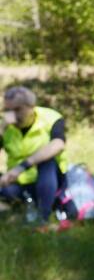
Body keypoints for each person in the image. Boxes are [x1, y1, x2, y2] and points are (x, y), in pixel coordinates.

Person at [0, 86, 69, 222]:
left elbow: (58, 144)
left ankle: (43, 217)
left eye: (17, 109)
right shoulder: (6, 125)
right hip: (18, 184)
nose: (12, 115)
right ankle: (17, 207)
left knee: (47, 161)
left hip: (50, 181)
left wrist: (22, 167)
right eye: (7, 110)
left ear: (31, 106)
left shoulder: (50, 117)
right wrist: (1, 128)